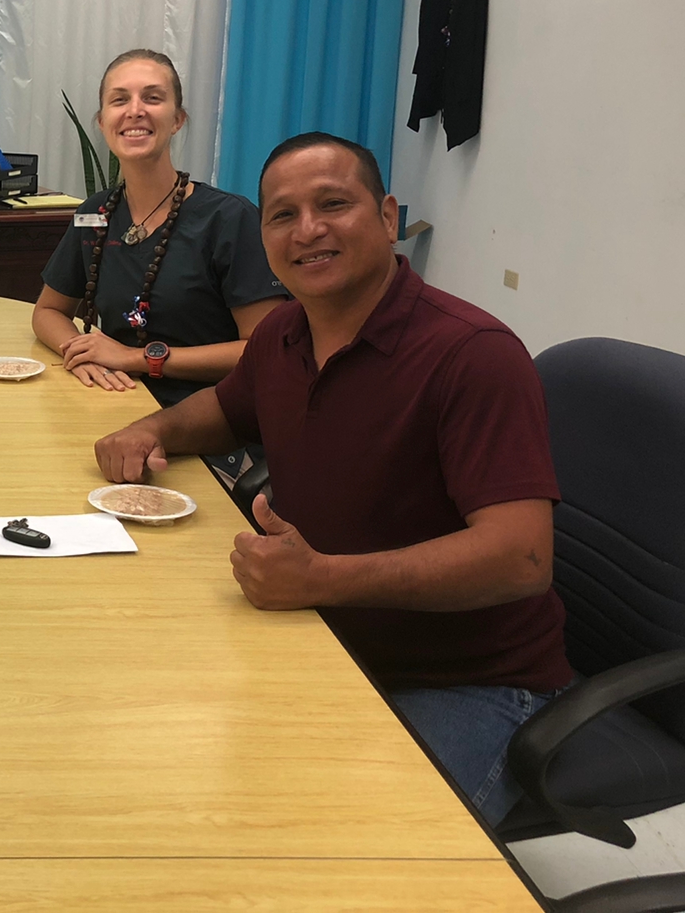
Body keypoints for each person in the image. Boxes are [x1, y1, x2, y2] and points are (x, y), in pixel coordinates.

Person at [94, 131, 570, 824]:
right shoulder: (283, 335)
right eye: (282, 215)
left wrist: (323, 580)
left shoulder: (473, 356)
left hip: (471, 684)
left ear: (387, 217)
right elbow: (225, 412)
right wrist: (151, 430)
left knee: (336, 851)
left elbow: (522, 558)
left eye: (333, 204)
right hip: (324, 641)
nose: (308, 229)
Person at [31, 50, 285, 408]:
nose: (135, 110)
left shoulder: (229, 218)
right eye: (120, 100)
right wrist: (80, 352)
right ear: (103, 122)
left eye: (152, 97)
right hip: (117, 401)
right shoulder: (95, 215)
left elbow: (266, 350)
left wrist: (135, 358)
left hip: (211, 416)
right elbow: (48, 311)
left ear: (178, 119)